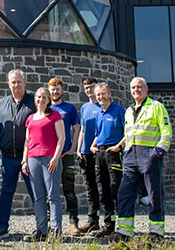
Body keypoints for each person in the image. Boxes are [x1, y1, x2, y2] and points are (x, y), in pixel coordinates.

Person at [111, 77, 172, 242]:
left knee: (154, 196)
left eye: (139, 87)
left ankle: (156, 234)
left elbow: (166, 133)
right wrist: (124, 152)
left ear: (146, 89)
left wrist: (156, 154)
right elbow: (128, 134)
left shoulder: (156, 107)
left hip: (150, 157)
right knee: (124, 194)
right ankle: (124, 233)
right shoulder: (128, 110)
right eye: (133, 88)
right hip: (131, 158)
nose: (136, 90)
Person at [0, 69, 36, 240]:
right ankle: (3, 227)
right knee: (6, 191)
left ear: (25, 82)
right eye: (13, 82)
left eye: (19, 81)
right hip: (8, 156)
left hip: (30, 157)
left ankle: (41, 227)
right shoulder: (1, 103)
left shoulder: (34, 102)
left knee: (35, 192)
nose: (16, 85)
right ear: (8, 84)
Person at [21, 87, 65, 242]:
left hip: (49, 159)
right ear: (35, 99)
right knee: (38, 197)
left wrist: (55, 158)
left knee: (53, 196)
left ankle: (56, 231)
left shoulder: (55, 115)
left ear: (48, 100)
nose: (41, 100)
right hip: (33, 159)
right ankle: (41, 230)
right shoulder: (30, 118)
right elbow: (27, 142)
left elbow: (61, 138)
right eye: (38, 97)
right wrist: (24, 160)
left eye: (44, 98)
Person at [89, 83, 126, 238]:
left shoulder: (119, 111)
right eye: (98, 95)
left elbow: (129, 132)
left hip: (113, 152)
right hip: (100, 152)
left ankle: (123, 227)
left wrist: (118, 146)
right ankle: (108, 225)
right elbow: (98, 133)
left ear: (109, 94)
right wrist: (92, 145)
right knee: (102, 190)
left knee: (115, 189)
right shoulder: (99, 113)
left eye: (103, 94)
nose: (100, 97)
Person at [47, 77, 81, 235]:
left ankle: (73, 222)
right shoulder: (45, 109)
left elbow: (76, 128)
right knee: (50, 189)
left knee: (69, 188)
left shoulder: (70, 108)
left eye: (58, 88)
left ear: (62, 90)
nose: (55, 91)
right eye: (52, 89)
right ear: (49, 91)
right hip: (48, 155)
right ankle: (49, 221)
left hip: (66, 155)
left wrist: (73, 148)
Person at [76, 76, 101, 233]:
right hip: (85, 152)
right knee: (90, 188)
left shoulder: (103, 106)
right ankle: (93, 220)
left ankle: (108, 221)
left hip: (98, 152)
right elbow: (82, 130)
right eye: (86, 88)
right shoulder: (84, 108)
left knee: (102, 187)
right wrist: (79, 149)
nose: (89, 90)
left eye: (91, 87)